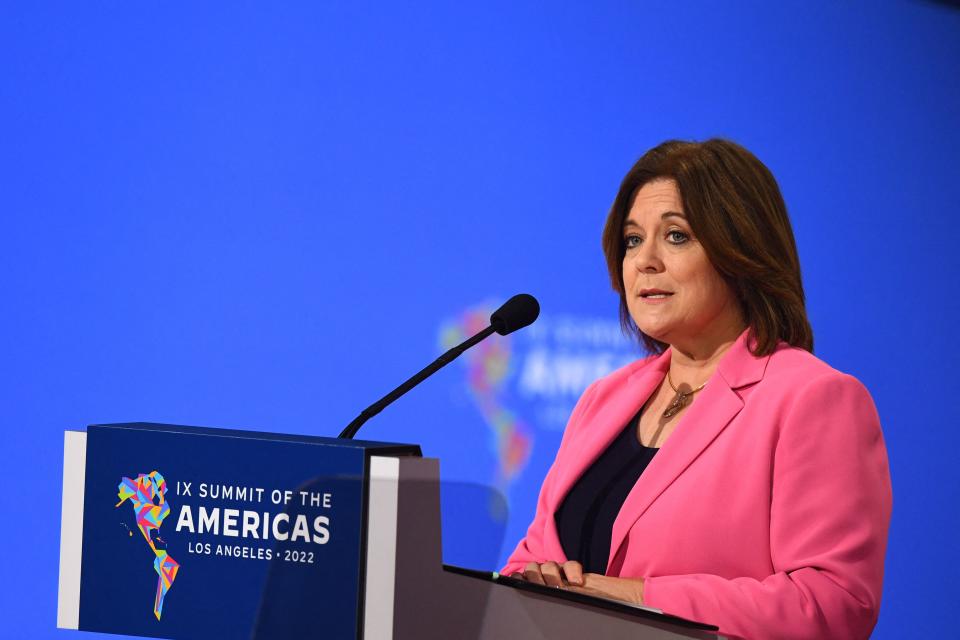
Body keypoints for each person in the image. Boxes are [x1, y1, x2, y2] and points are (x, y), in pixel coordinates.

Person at [501, 139, 892, 640]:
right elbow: (531, 560)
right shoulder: (604, 399)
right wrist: (534, 583)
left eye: (677, 236)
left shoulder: (812, 399)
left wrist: (633, 597)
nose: (646, 260)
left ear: (741, 250)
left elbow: (834, 604)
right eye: (633, 240)